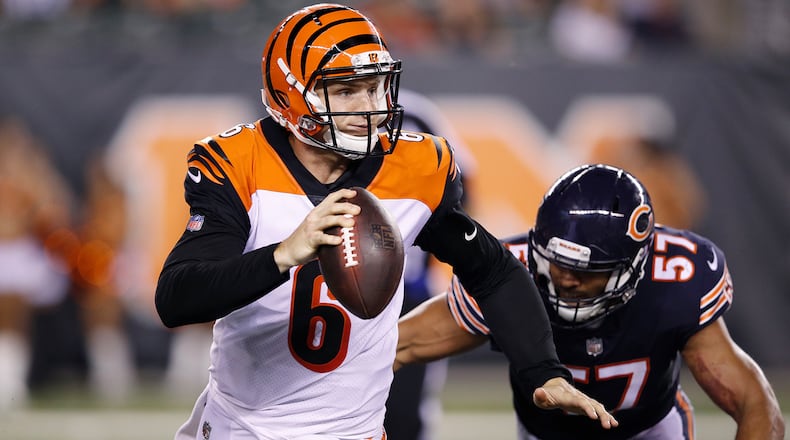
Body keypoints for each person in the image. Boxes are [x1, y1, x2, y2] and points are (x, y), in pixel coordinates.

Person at [154, 4, 617, 439]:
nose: (368, 106)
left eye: (375, 87)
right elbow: (178, 298)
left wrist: (543, 371)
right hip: (244, 429)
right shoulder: (239, 164)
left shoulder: (415, 168)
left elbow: (493, 270)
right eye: (345, 90)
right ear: (290, 95)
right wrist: (283, 255)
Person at [396, 164, 786, 439]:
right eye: (556, 262)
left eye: (587, 270)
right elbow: (397, 345)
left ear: (633, 265)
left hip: (650, 431)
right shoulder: (508, 277)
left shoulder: (676, 280)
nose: (565, 278)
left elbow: (755, 403)